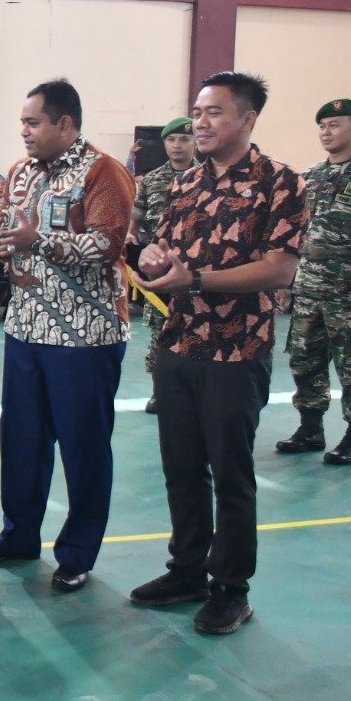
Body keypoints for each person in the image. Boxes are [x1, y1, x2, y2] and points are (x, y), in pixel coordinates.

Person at [130, 71, 306, 635]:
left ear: (247, 119)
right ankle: (186, 570)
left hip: (237, 349)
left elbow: (280, 269)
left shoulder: (280, 182)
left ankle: (231, 588)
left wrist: (197, 279)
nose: (200, 123)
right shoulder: (184, 183)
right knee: (181, 468)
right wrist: (154, 260)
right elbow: (166, 251)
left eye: (214, 112)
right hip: (179, 342)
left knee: (231, 474)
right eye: (197, 112)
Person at [0, 80, 136, 592]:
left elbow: (107, 244)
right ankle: (18, 536)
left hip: (85, 335)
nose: (24, 131)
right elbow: (15, 239)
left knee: (83, 448)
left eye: (33, 123)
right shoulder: (21, 172)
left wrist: (40, 240)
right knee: (22, 441)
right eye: (22, 123)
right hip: (25, 328)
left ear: (65, 123)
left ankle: (77, 553)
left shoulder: (104, 172)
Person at [275, 98, 351, 464]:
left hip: (349, 293)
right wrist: (286, 282)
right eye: (322, 126)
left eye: (334, 125)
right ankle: (310, 428)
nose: (326, 132)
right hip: (307, 290)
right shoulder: (311, 176)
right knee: (305, 361)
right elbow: (296, 234)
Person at [128, 118, 197, 413]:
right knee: (161, 332)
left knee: (197, 331)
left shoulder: (208, 177)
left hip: (195, 270)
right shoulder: (152, 179)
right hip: (160, 269)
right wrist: (131, 234)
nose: (177, 146)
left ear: (194, 142)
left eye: (184, 139)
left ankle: (194, 392)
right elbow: (137, 217)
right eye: (171, 140)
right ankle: (160, 392)